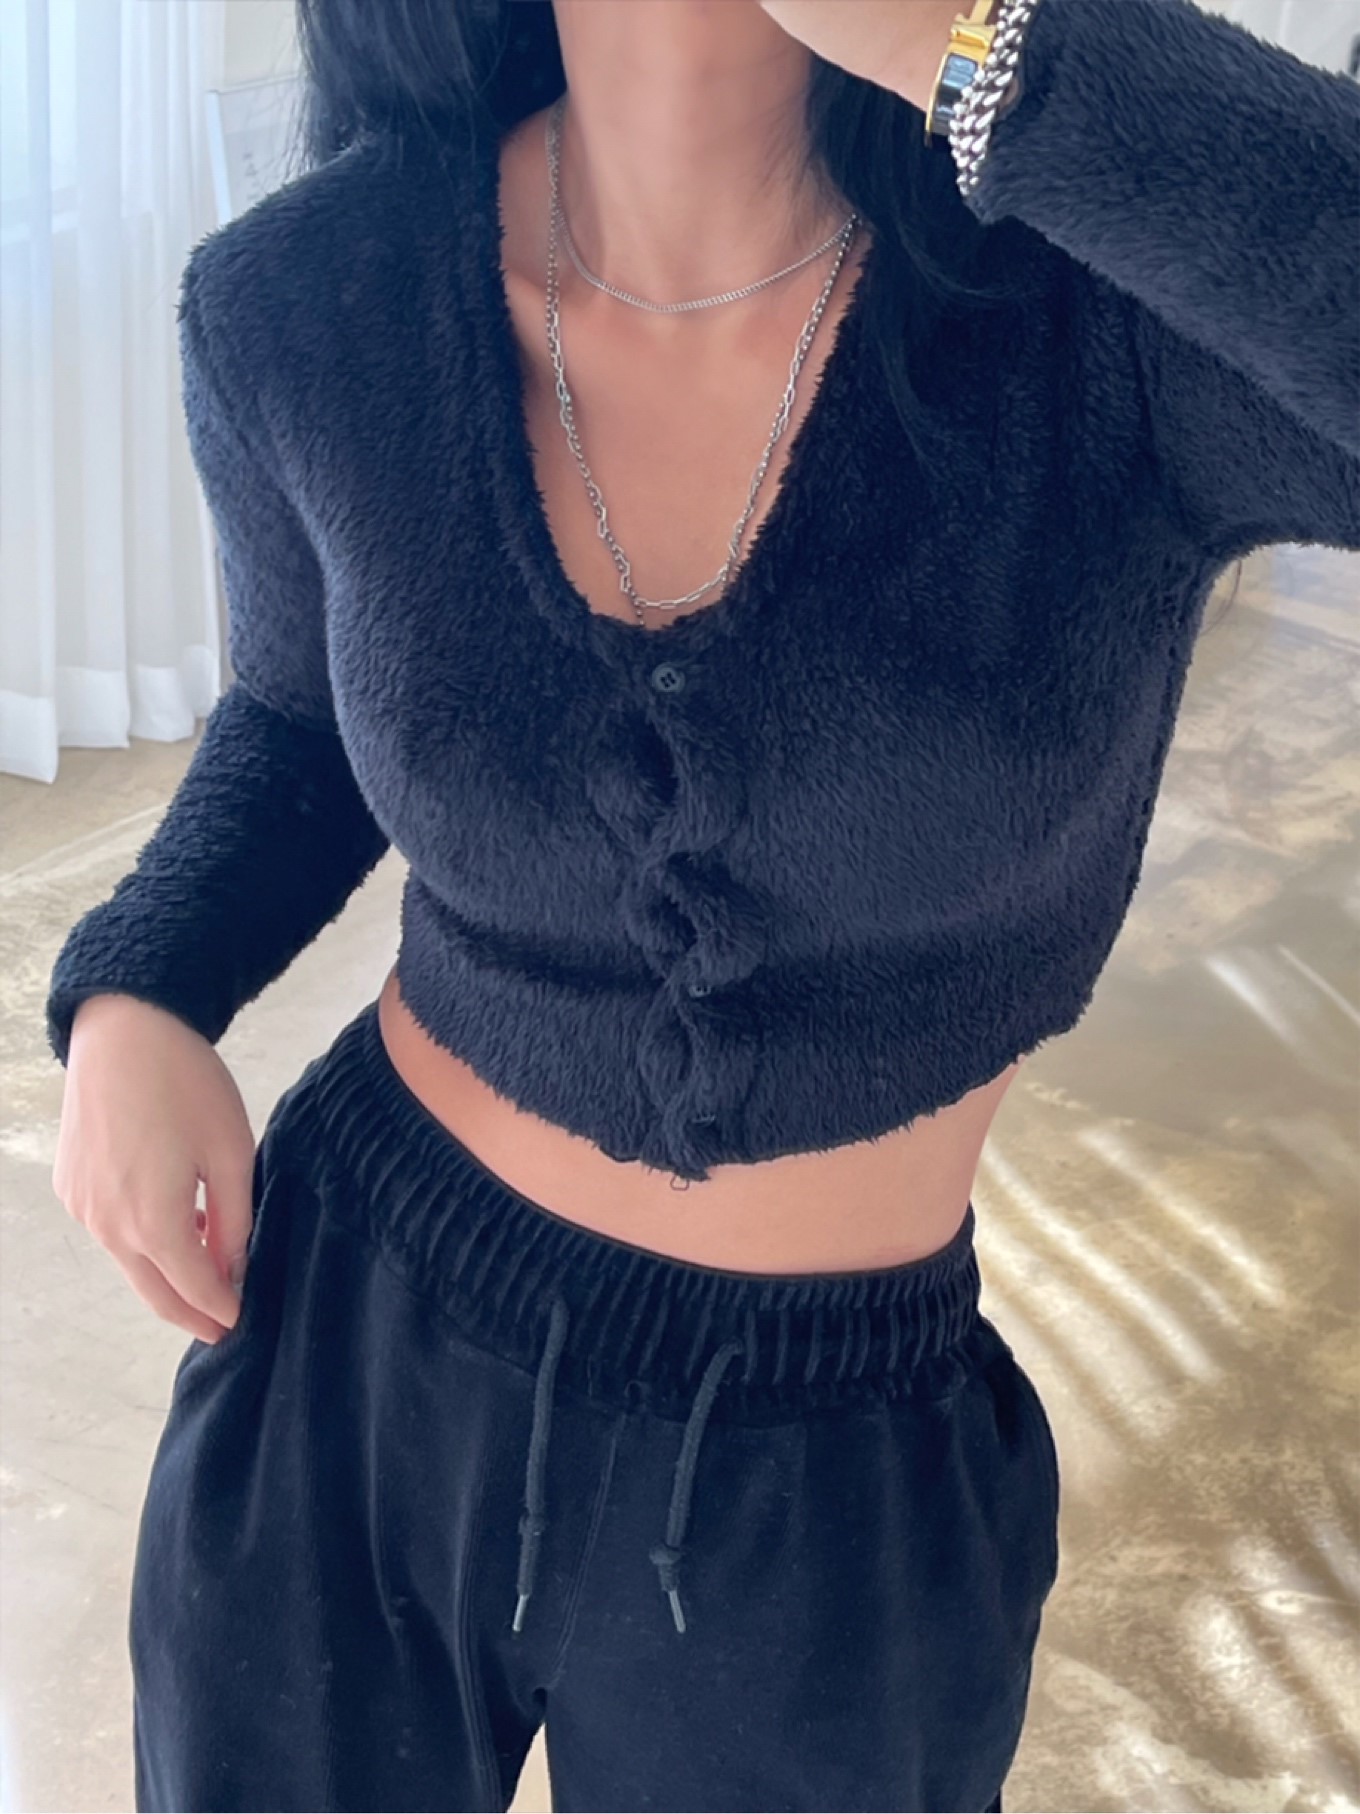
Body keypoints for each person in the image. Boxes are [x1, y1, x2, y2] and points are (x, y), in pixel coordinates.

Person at [45, 0, 1360, 1808]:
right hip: (348, 1360)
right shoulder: (307, 298)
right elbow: (300, 710)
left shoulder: (1102, 305)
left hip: (831, 1472)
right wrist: (142, 990)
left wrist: (983, 44)